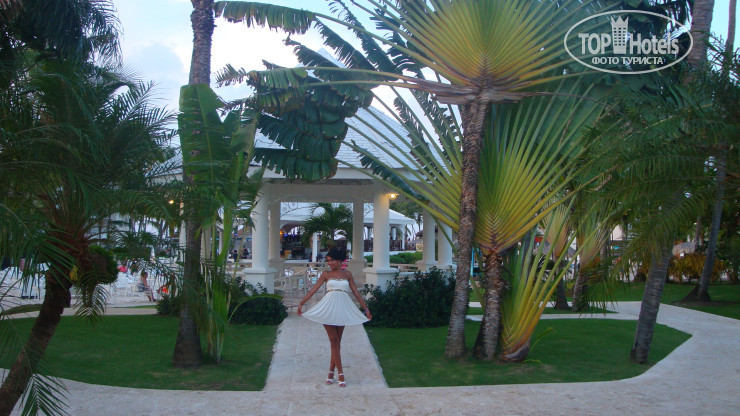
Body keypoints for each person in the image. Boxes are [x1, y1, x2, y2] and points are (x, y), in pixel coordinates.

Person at [297, 247, 371, 388]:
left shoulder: (347, 274)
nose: (329, 263)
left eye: (332, 260)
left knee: (336, 343)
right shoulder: (326, 274)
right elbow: (313, 290)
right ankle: (341, 373)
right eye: (328, 261)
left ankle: (331, 373)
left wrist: (366, 309)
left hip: (342, 308)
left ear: (339, 261)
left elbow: (356, 292)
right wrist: (301, 303)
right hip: (328, 308)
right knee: (333, 340)